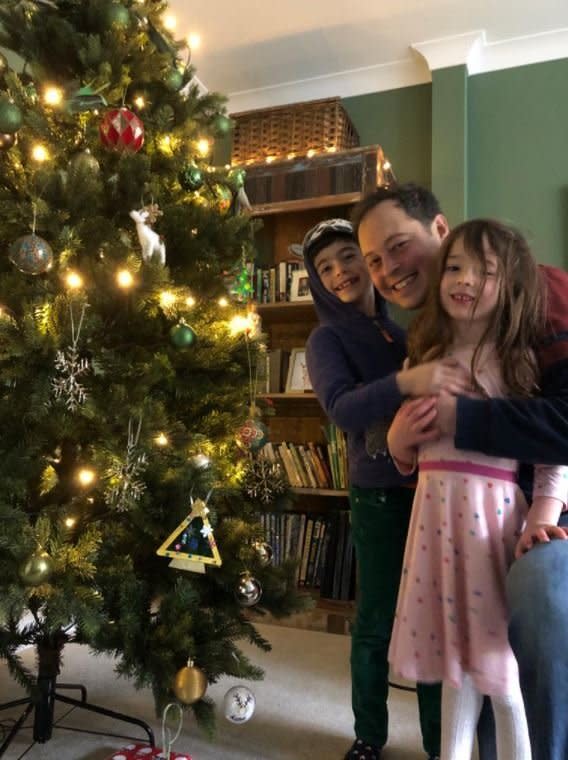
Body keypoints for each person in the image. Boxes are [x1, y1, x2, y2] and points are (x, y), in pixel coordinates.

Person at [352, 183, 568, 760]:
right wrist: (397, 444)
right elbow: (400, 433)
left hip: (498, 524)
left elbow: (558, 442)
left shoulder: (532, 325)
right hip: (436, 525)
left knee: (499, 670)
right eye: (373, 260)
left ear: (440, 233)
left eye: (398, 246)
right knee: (453, 665)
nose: (388, 269)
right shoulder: (422, 345)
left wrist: (543, 514)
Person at [303, 218, 472, 760]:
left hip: (429, 486)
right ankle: (368, 737)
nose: (339, 273)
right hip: (378, 491)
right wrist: (405, 383)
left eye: (349, 257)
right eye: (324, 268)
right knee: (376, 617)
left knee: (430, 618)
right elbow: (342, 408)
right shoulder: (325, 338)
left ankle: (436, 740)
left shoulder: (400, 328)